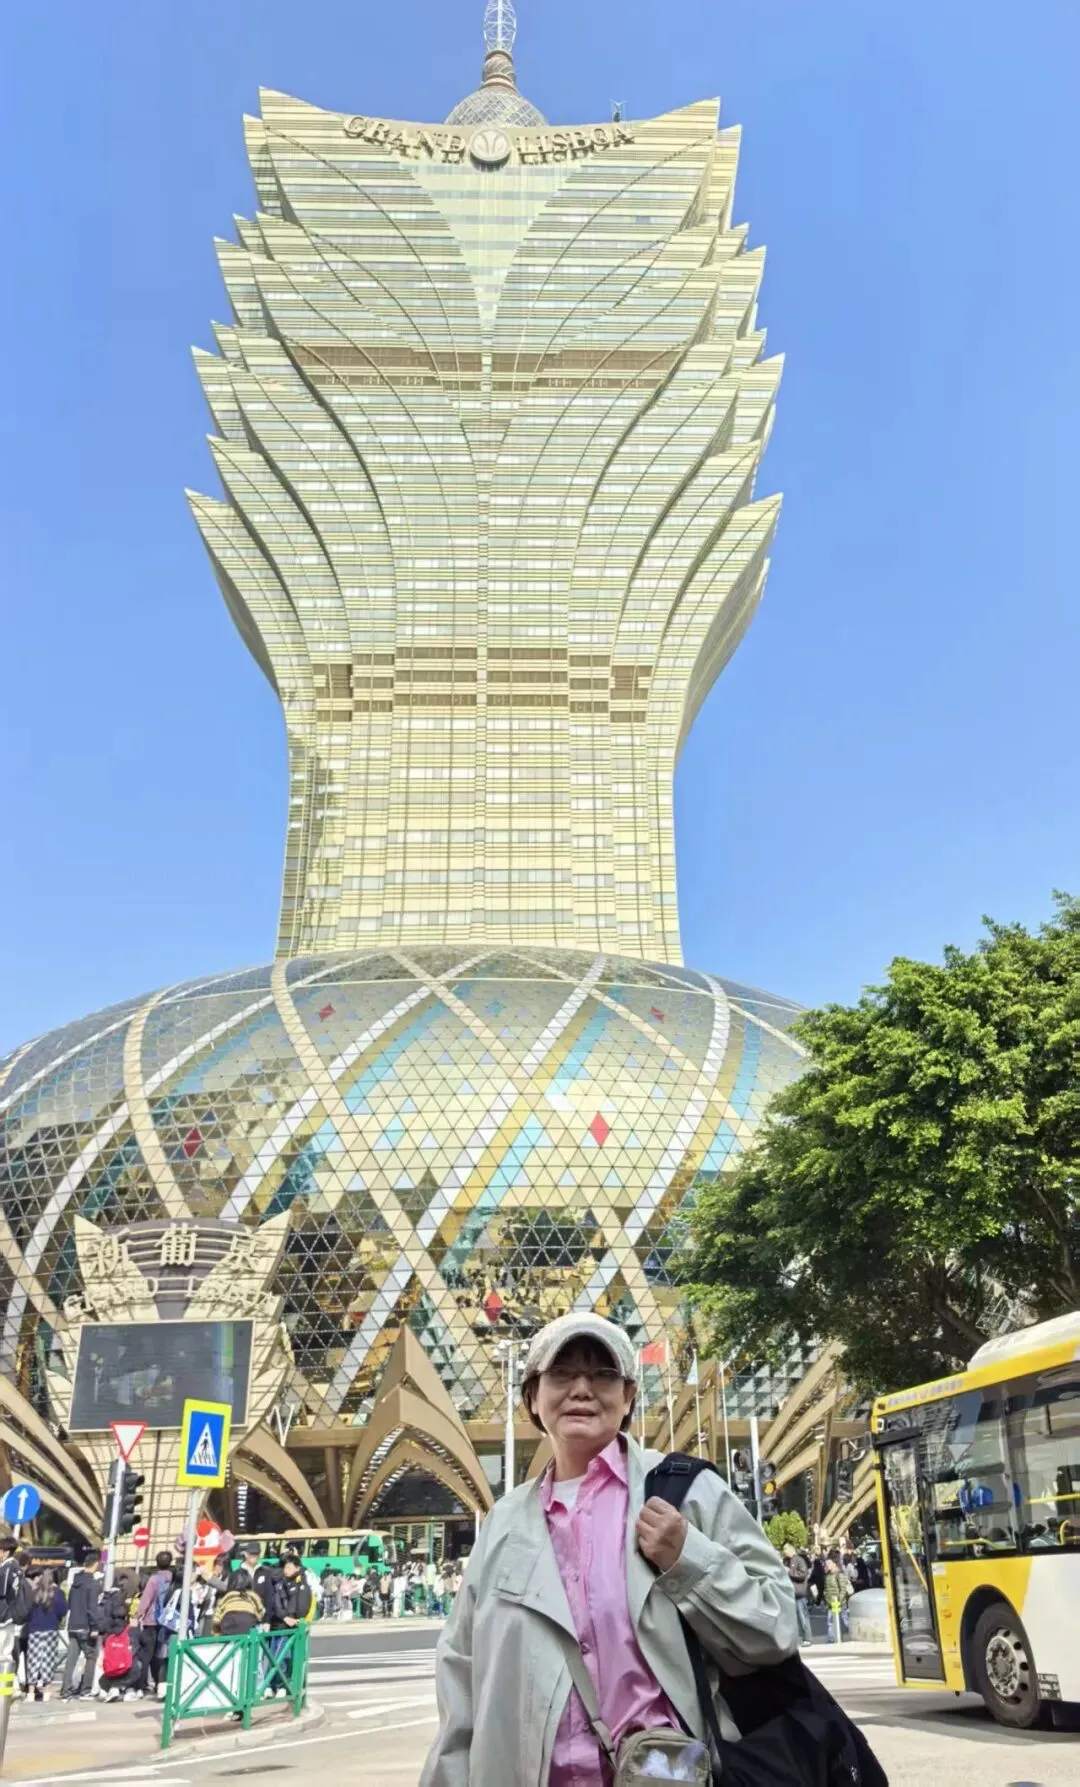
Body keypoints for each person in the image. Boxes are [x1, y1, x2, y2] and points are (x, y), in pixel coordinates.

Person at [421, 1312, 797, 1787]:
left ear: (629, 1396)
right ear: (532, 1396)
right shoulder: (503, 1524)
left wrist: (689, 1561)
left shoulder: (686, 1493)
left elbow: (777, 1628)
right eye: (562, 1373)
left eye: (602, 1374)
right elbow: (462, 1674)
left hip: (663, 1776)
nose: (582, 1389)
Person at [60, 1549, 102, 1699]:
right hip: (86, 1626)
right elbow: (92, 1608)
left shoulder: (75, 1583)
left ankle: (65, 1690)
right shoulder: (93, 1584)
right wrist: (95, 1626)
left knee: (71, 1660)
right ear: (95, 1564)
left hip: (73, 1624)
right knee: (91, 1656)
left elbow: (70, 1604)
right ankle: (85, 1689)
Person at [25, 1570, 67, 1701]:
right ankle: (46, 1693)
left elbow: (28, 1611)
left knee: (33, 1660)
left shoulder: (34, 1592)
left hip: (35, 1629)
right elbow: (63, 1611)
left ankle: (31, 1692)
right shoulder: (58, 1593)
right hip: (51, 1628)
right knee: (48, 1660)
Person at [212, 1568, 265, 1635]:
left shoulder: (227, 1596)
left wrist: (216, 1634)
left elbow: (216, 1618)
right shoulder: (253, 1596)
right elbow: (261, 1612)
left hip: (228, 1627)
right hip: (249, 1627)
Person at [782, 1541, 813, 1645]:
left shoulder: (799, 1560)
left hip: (798, 1592)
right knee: (790, 1618)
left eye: (785, 1549)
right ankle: (792, 1639)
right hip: (788, 1593)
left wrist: (789, 1571)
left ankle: (807, 1638)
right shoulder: (785, 1561)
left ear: (791, 1549)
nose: (784, 1552)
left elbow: (802, 1574)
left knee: (802, 1616)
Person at [824, 1557, 852, 1644]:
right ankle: (831, 1639)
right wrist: (827, 1599)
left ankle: (854, 1633)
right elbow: (827, 1589)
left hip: (839, 1602)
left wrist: (839, 1600)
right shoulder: (828, 1575)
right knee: (830, 1621)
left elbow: (843, 1589)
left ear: (834, 1564)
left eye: (829, 1563)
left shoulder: (839, 1575)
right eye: (826, 1564)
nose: (827, 1565)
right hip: (831, 1603)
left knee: (845, 1620)